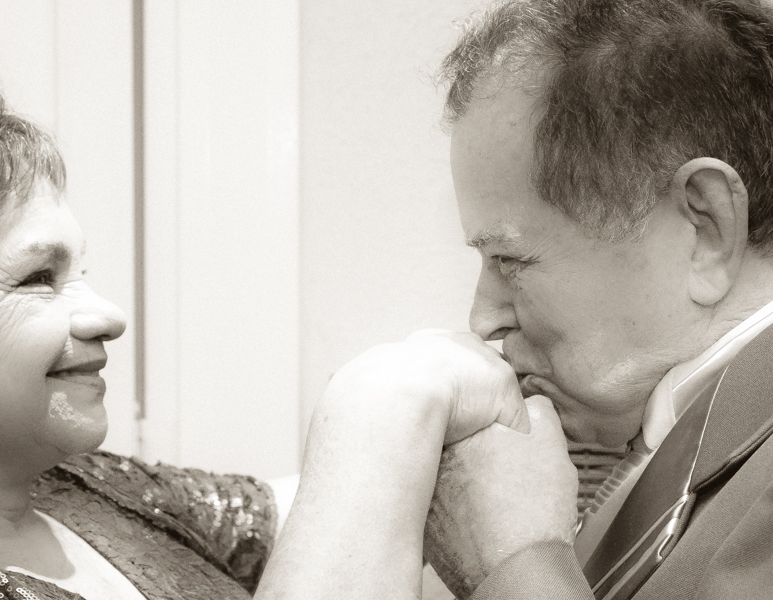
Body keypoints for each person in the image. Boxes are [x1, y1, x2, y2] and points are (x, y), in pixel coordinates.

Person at [259, 0, 773, 599]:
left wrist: (511, 562)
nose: (483, 319)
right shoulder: (668, 434)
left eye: (511, 261)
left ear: (705, 228)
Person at [0, 47, 281, 600]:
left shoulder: (86, 488)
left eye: (80, 273)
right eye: (38, 278)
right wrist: (372, 401)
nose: (109, 317)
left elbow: (327, 503)